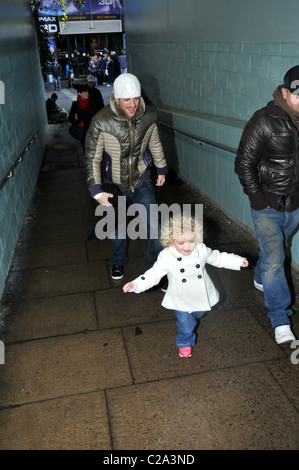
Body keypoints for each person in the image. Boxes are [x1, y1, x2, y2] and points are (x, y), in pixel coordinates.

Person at [235, 65, 299, 345]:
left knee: (276, 250)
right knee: (276, 259)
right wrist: (259, 201)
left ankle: (260, 277)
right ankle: (280, 319)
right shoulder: (263, 120)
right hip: (268, 206)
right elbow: (243, 163)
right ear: (285, 92)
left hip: (295, 206)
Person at [123, 215, 249, 358]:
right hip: (180, 297)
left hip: (201, 294)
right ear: (171, 240)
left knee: (199, 312)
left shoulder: (201, 250)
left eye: (191, 241)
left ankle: (190, 319)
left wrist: (238, 261)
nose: (187, 247)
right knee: (186, 324)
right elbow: (154, 274)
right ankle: (184, 343)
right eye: (181, 242)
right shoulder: (166, 256)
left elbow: (218, 257)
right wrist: (135, 284)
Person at [84, 73, 168, 280]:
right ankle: (118, 262)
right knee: (118, 230)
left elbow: (155, 143)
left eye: (136, 98)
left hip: (141, 181)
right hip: (114, 185)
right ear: (116, 98)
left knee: (154, 228)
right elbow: (91, 158)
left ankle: (157, 270)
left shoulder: (149, 115)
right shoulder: (101, 121)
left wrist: (161, 168)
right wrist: (96, 190)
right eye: (127, 99)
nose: (132, 104)